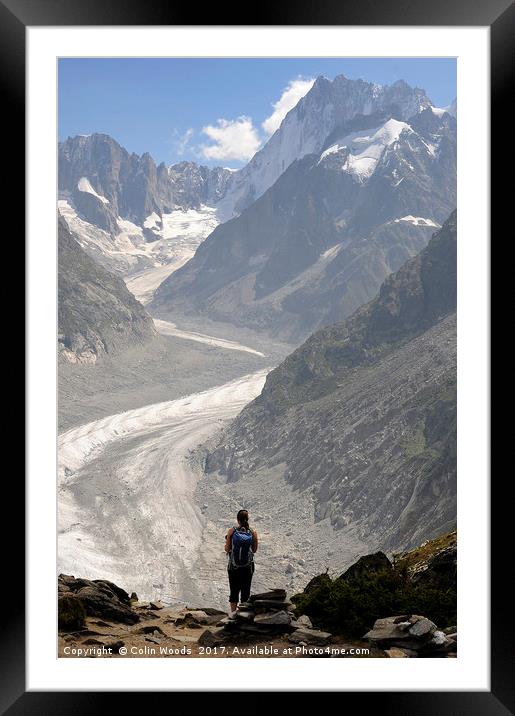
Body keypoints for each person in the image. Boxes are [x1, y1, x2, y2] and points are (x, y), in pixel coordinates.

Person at [224, 509, 258, 615]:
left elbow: (227, 549)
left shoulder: (232, 531)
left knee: (234, 592)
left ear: (237, 519)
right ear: (247, 519)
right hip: (247, 568)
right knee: (245, 593)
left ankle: (233, 616)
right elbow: (255, 550)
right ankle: (243, 617)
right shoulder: (253, 532)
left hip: (233, 567)